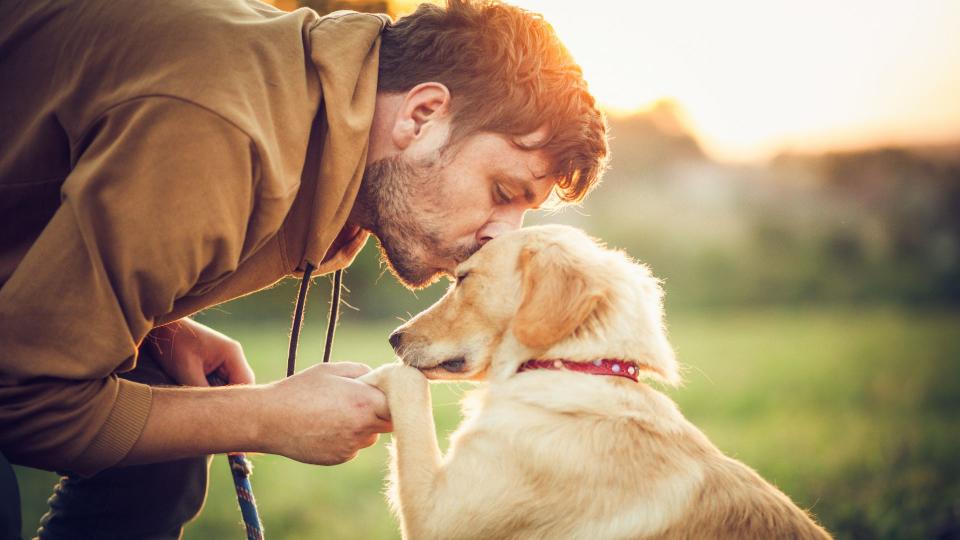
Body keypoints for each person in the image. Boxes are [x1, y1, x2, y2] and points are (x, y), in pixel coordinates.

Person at [0, 0, 608, 537]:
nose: (502, 237)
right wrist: (264, 417)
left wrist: (163, 325)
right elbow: (24, 399)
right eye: (503, 191)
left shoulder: (325, 120)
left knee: (166, 450)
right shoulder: (222, 130)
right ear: (421, 115)